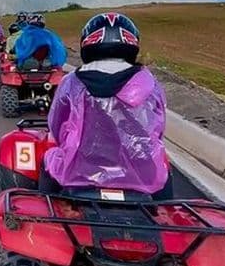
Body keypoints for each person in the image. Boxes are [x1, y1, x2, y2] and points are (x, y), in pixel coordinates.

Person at [41, 12, 171, 198]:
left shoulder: (72, 82)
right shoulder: (150, 83)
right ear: (132, 46)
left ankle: (46, 215)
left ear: (87, 45)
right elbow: (158, 129)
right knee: (163, 173)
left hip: (79, 174)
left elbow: (55, 126)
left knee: (48, 159)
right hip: (141, 177)